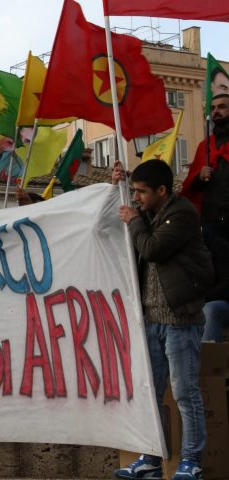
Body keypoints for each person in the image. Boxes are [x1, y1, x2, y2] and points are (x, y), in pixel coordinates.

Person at [112, 160, 213, 480]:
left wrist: (134, 219)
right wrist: (119, 186)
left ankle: (192, 461)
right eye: (134, 191)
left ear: (162, 190)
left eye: (141, 192)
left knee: (184, 393)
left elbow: (152, 248)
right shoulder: (149, 214)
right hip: (151, 320)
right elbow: (124, 227)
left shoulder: (182, 213)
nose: (136, 198)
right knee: (150, 394)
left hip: (180, 321)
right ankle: (151, 459)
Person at [181, 94, 229, 243]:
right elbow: (192, 187)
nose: (216, 111)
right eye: (212, 108)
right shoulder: (205, 145)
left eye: (222, 107)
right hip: (212, 220)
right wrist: (200, 177)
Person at [201, 231, 229, 342]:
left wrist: (201, 299)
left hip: (219, 301)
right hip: (188, 303)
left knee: (209, 310)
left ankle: (209, 352)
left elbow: (226, 284)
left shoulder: (218, 246)